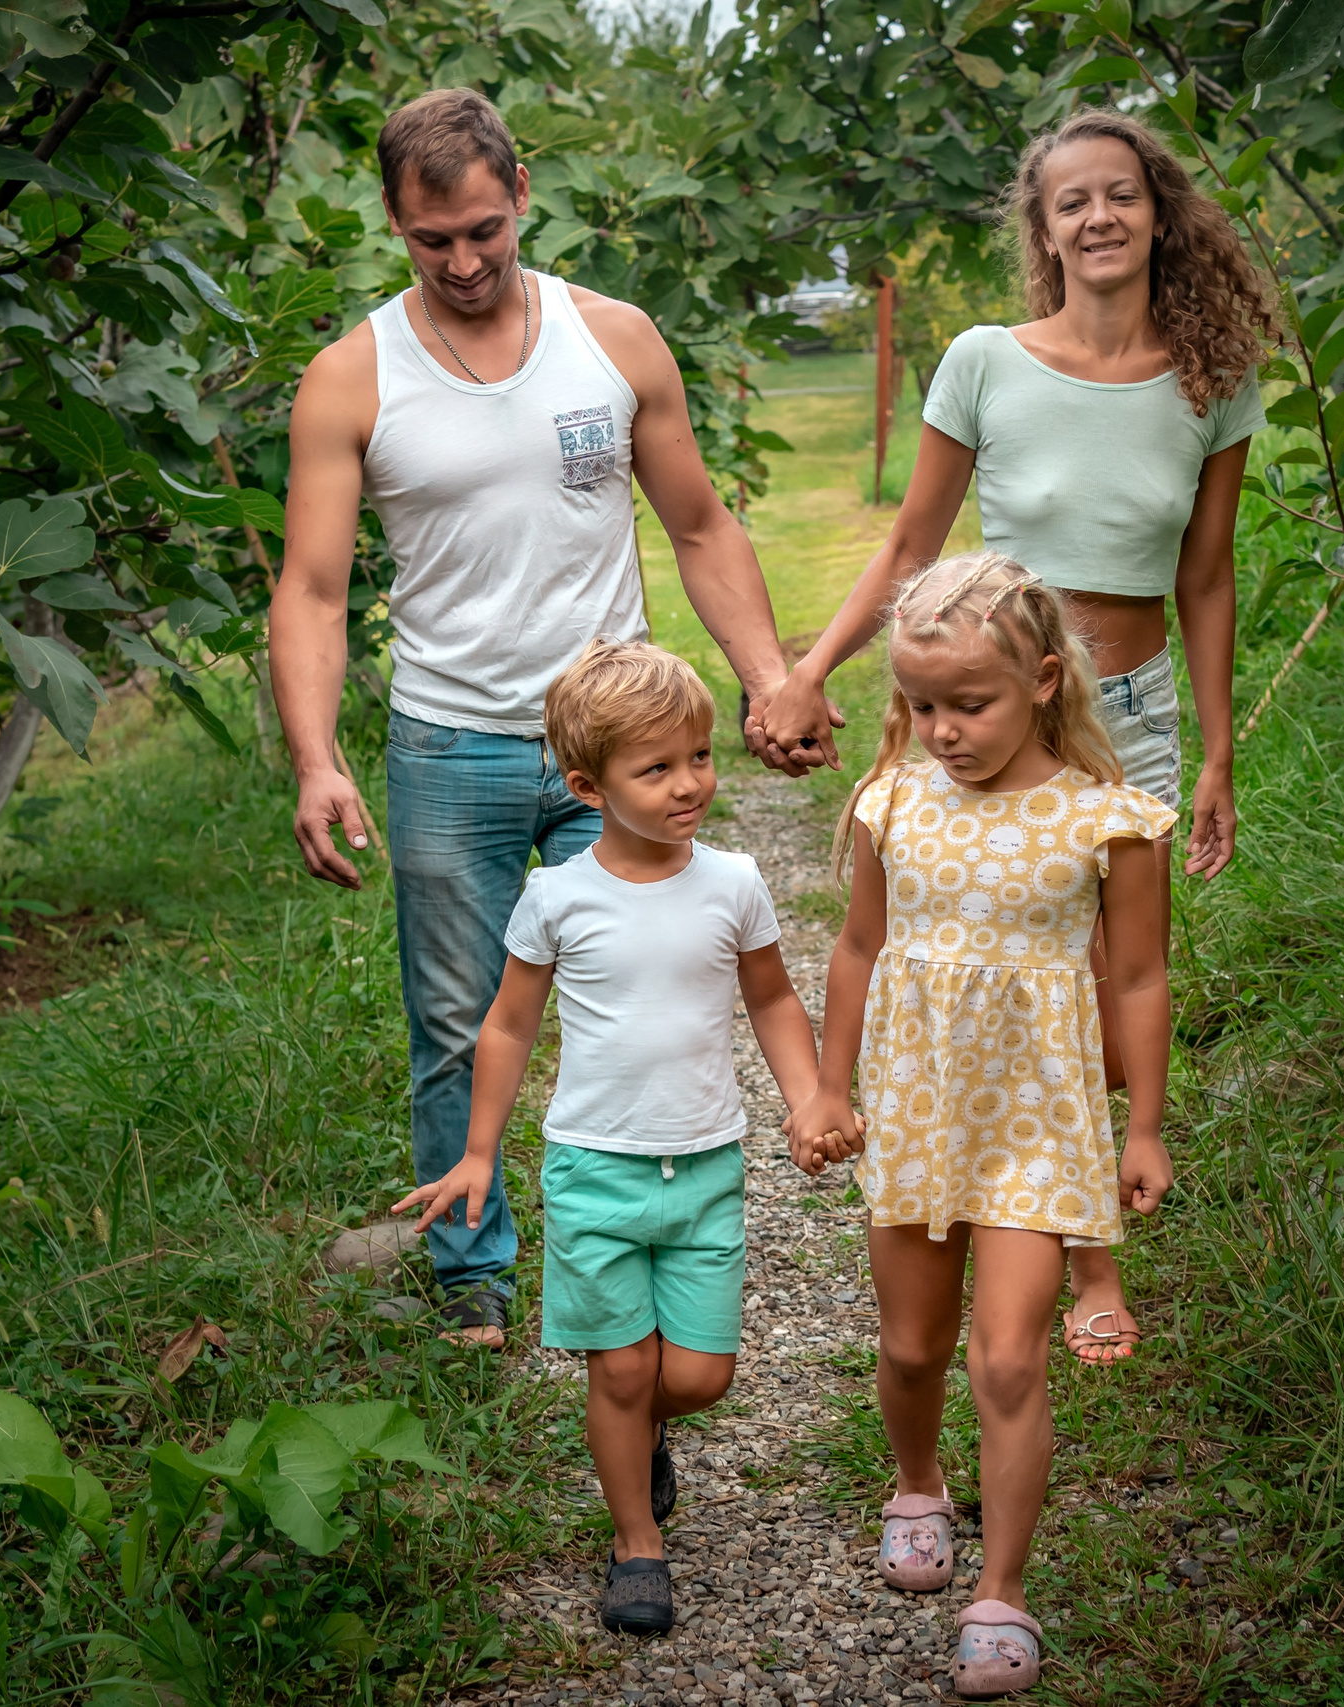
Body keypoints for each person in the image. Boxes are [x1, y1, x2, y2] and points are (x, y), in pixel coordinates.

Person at [273, 89, 837, 1347]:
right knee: (460, 1017)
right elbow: (311, 589)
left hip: (619, 743)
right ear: (394, 225)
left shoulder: (614, 339)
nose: (465, 262)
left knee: (644, 992)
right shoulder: (352, 375)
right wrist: (316, 759)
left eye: (484, 228)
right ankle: (469, 1267)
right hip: (447, 741)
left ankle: (641, 1244)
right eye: (433, 242)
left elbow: (698, 524)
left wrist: (768, 677)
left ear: (522, 190)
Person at [754, 108, 1282, 1367]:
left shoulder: (1211, 378)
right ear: (1042, 230)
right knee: (976, 955)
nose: (1098, 219)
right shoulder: (988, 359)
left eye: (1120, 195)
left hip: (1132, 717)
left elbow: (1205, 577)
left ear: (1158, 209)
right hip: (983, 712)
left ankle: (1070, 1221)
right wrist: (806, 670)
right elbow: (909, 545)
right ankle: (1052, 1237)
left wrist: (1213, 750)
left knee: (1105, 986)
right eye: (1070, 204)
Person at [789, 554, 1175, 1699]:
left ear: (1046, 681)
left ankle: (1001, 1591)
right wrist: (825, 1086)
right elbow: (856, 949)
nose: (942, 731)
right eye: (921, 706)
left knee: (1007, 1356)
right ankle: (916, 1483)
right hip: (918, 1112)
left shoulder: (1108, 823)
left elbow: (1140, 980)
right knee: (913, 1347)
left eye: (971, 705)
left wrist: (1141, 1127)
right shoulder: (892, 800)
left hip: (1040, 1127)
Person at [397, 640, 819, 1637]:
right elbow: (504, 1027)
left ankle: (637, 1432)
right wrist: (476, 1154)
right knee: (620, 1370)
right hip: (593, 1168)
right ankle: (637, 1542)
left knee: (697, 1376)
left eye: (701, 758)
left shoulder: (733, 883)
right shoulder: (557, 897)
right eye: (658, 768)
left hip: (705, 1164)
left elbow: (771, 997)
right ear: (588, 786)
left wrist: (807, 1098)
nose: (690, 786)